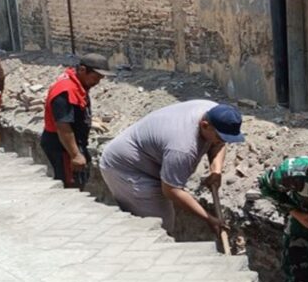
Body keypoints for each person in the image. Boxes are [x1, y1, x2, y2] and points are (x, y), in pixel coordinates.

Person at [99, 100, 244, 234]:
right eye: (220, 137)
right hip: (127, 170)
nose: (223, 141)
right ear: (204, 125)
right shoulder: (182, 147)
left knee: (161, 225)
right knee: (159, 228)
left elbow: (219, 144)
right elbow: (171, 190)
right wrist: (208, 218)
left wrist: (216, 171)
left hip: (149, 161)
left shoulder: (215, 112)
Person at [40, 53, 112, 189]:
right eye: (95, 77)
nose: (98, 82)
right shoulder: (66, 91)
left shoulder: (76, 84)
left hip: (69, 144)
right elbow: (63, 126)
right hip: (62, 146)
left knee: (77, 180)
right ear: (83, 70)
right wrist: (75, 155)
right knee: (71, 184)